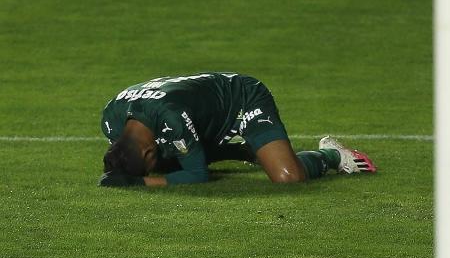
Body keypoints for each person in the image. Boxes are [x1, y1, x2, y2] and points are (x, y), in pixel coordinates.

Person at [98, 72, 376, 187]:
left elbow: (197, 175)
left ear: (147, 150)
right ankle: (238, 150)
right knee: (171, 158)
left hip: (241, 99)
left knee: (287, 176)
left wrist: (141, 182)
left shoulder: (172, 119)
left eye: (149, 161)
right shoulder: (111, 118)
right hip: (196, 111)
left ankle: (330, 155)